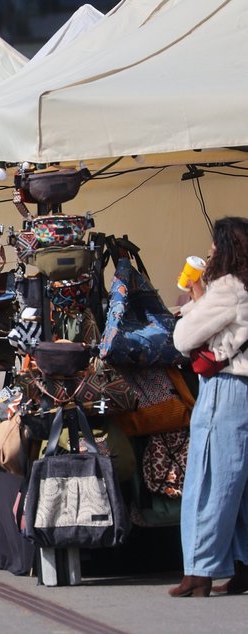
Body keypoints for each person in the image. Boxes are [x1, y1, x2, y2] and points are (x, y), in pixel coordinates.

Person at [170, 216, 248, 598]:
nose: (211, 250)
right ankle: (244, 567)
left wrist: (189, 303)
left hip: (226, 389)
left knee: (210, 478)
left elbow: (184, 337)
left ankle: (199, 571)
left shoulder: (229, 288)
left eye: (216, 245)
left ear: (228, 249)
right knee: (241, 483)